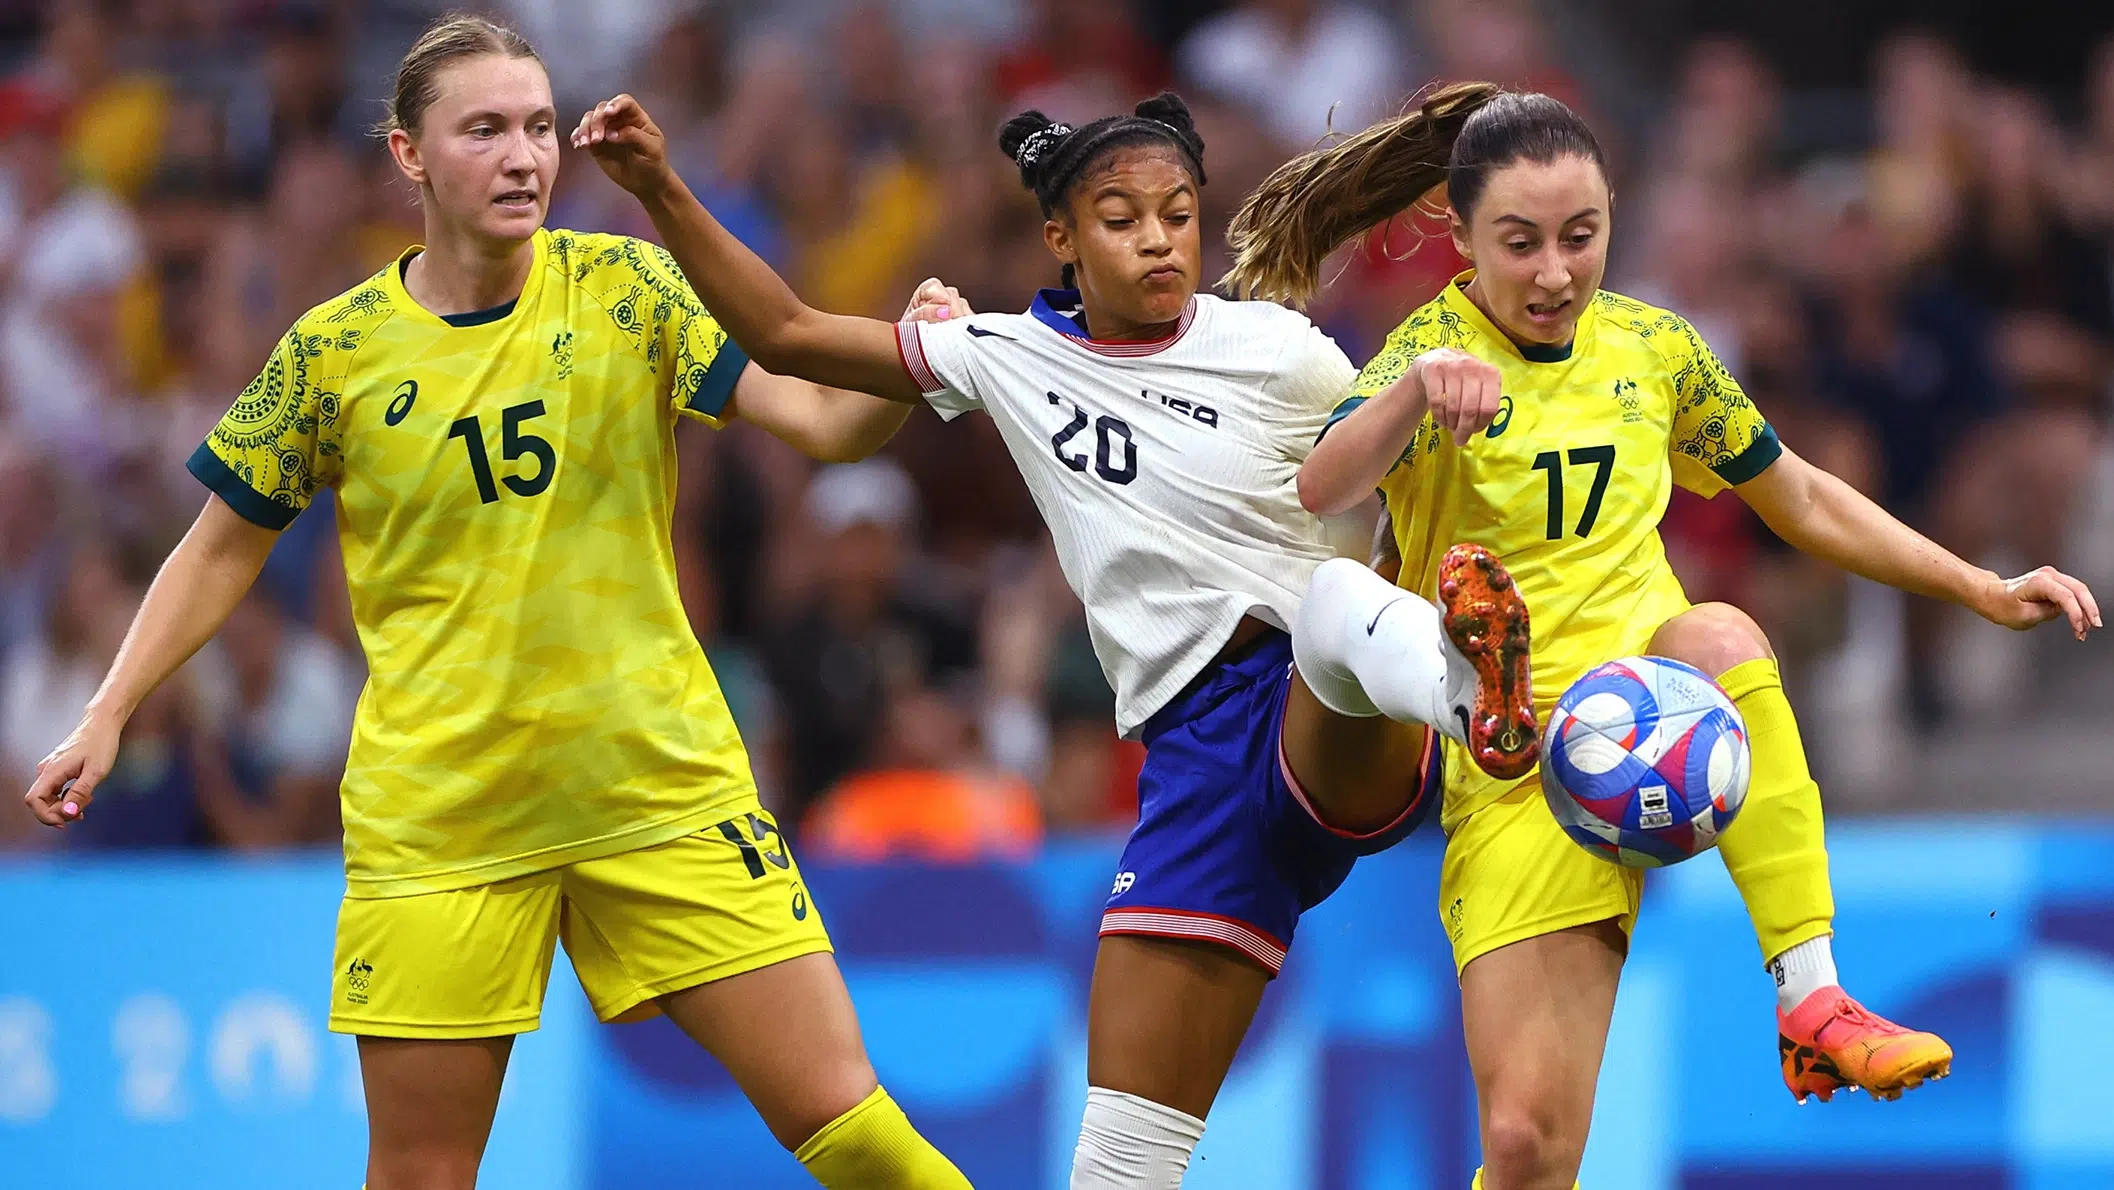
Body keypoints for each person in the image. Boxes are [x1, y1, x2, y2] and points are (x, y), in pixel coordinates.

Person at [20, 16, 972, 1190]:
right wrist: (110, 709)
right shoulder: (333, 351)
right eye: (483, 131)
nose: (522, 156)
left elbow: (826, 421)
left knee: (852, 1124)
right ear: (409, 156)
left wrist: (913, 367)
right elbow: (217, 549)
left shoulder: (627, 286)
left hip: (656, 783)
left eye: (535, 127)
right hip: (445, 821)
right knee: (420, 1175)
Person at [575, 87, 1538, 1188]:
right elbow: (786, 334)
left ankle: (1475, 698)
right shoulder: (1000, 356)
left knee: (1327, 610)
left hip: (1327, 712)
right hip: (1192, 769)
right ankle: (1458, 678)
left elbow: (1404, 484)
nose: (1157, 240)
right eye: (1121, 218)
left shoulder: (1285, 351)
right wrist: (658, 185)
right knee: (1114, 1168)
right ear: (1060, 236)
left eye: (1177, 214)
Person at [1226, 83, 2102, 1189]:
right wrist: (1409, 397)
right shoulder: (1428, 348)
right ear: (1459, 235)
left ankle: (1811, 994)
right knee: (1524, 1146)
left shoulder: (1654, 347)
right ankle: (1493, 702)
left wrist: (1977, 584)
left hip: (1654, 702)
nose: (1554, 271)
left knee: (1722, 631)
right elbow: (1322, 484)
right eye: (1520, 242)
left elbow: (1799, 497)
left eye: (1580, 237)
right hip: (1515, 760)